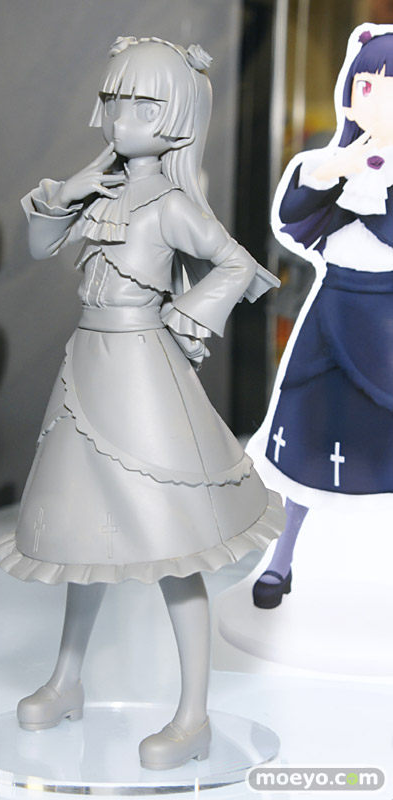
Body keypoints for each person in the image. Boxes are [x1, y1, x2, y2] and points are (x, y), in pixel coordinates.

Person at [0, 36, 283, 770]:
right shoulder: (101, 188)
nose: (122, 116)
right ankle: (66, 680)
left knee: (171, 542)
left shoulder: (171, 204)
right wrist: (65, 193)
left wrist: (188, 316)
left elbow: (236, 264)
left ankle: (192, 717)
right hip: (86, 368)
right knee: (79, 536)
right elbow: (38, 246)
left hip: (142, 375)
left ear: (177, 118)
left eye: (142, 103)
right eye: (114, 99)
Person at [251, 24, 393, 609]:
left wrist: (374, 189)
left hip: (387, 319)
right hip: (332, 311)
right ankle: (281, 558)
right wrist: (333, 172)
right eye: (368, 86)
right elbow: (293, 221)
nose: (376, 99)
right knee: (311, 439)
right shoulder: (334, 161)